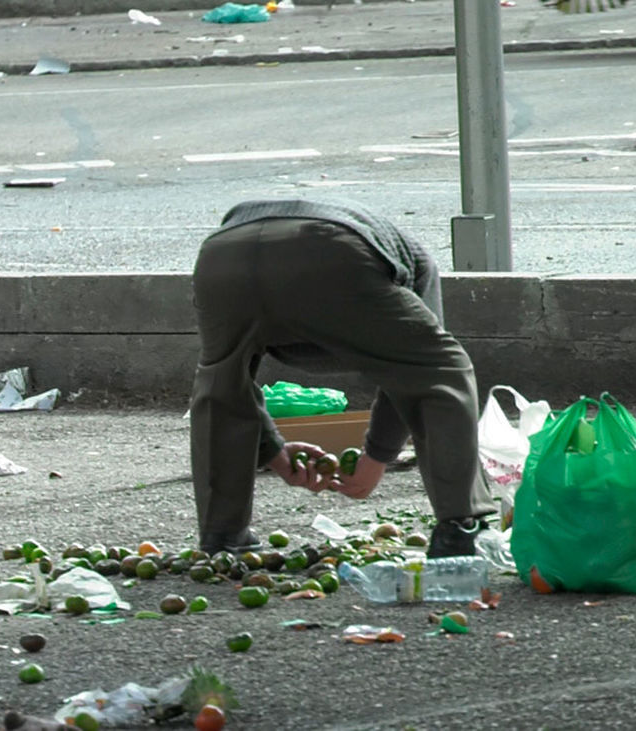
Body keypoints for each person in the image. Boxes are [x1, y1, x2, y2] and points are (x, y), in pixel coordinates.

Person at [189, 197, 496, 558]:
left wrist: (273, 452)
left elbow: (232, 393)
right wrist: (377, 457)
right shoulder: (417, 263)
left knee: (220, 381)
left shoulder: (390, 254)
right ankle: (461, 527)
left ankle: (221, 537)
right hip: (329, 250)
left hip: (223, 255)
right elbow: (416, 377)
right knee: (441, 368)